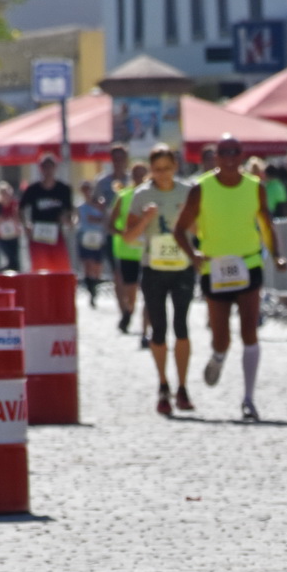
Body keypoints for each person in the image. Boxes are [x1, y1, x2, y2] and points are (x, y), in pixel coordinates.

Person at [172, 134, 287, 421]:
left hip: (248, 263)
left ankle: (248, 398)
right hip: (215, 269)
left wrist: (276, 255)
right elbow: (179, 229)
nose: (230, 157)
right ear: (216, 157)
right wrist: (194, 256)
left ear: (242, 155)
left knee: (250, 330)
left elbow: (266, 225)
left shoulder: (255, 187)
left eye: (236, 151)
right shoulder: (201, 188)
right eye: (224, 152)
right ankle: (218, 357)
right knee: (221, 337)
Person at [123, 144, 197, 415]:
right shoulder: (142, 195)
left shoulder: (187, 191)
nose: (162, 174)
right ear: (150, 169)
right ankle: (163, 385)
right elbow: (128, 236)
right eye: (157, 169)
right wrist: (145, 219)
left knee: (182, 326)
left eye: (167, 168)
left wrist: (187, 221)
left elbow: (200, 228)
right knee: (159, 329)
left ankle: (183, 386)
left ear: (175, 167)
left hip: (182, 267)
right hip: (153, 268)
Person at [107, 165, 148, 337]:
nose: (139, 179)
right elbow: (110, 225)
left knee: (147, 287)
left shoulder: (151, 194)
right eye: (136, 175)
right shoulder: (123, 196)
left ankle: (146, 324)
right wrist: (123, 233)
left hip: (147, 250)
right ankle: (128, 312)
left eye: (142, 175)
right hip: (127, 250)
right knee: (130, 287)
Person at [20, 156, 75, 274]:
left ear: (55, 168)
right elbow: (21, 208)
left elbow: (70, 210)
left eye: (50, 167)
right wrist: (26, 226)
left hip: (56, 232)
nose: (48, 170)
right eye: (45, 167)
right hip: (38, 232)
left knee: (60, 266)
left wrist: (67, 220)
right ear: (40, 169)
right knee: (39, 266)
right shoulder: (33, 189)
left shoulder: (63, 189)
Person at [76, 180, 109, 308]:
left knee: (97, 267)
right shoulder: (80, 206)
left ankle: (95, 288)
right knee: (87, 265)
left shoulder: (100, 205)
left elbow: (105, 219)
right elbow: (79, 220)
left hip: (98, 238)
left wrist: (97, 216)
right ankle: (91, 293)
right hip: (85, 237)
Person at [0, 181, 22, 271]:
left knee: (15, 259)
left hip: (13, 234)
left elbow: (17, 217)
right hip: (2, 236)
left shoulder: (14, 204)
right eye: (3, 193)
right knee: (8, 257)